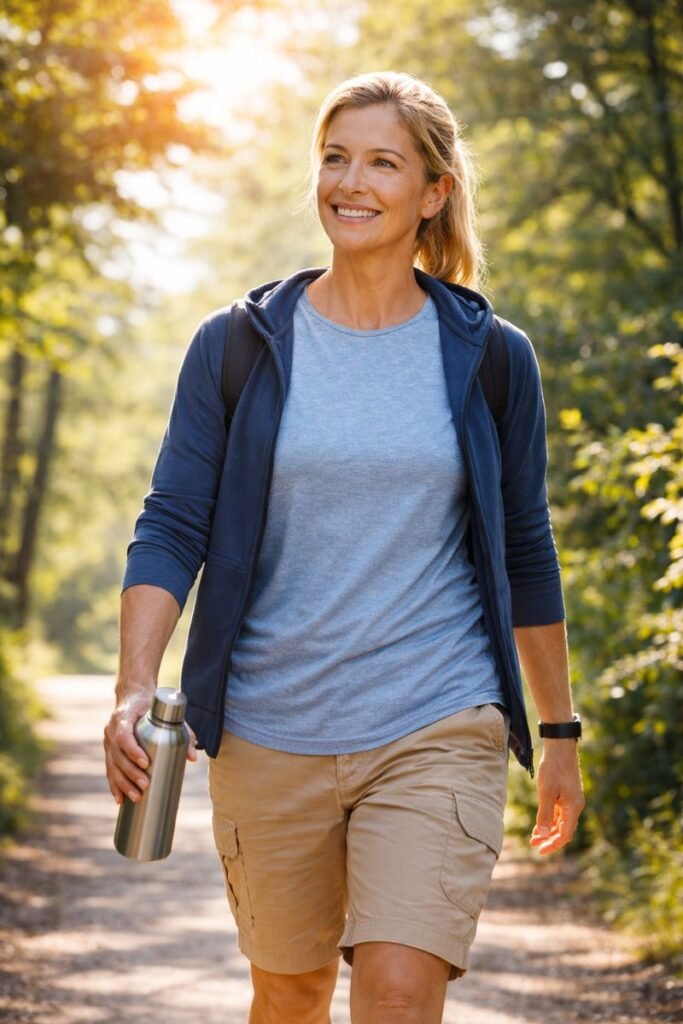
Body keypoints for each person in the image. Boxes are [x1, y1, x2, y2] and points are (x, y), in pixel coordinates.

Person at [104, 70, 585, 1024]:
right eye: (333, 158)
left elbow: (525, 547)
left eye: (381, 162)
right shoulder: (240, 344)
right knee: (288, 994)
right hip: (268, 727)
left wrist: (558, 733)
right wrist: (133, 685)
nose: (349, 183)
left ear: (432, 193)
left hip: (436, 719)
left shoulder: (490, 356)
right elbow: (171, 524)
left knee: (400, 994)